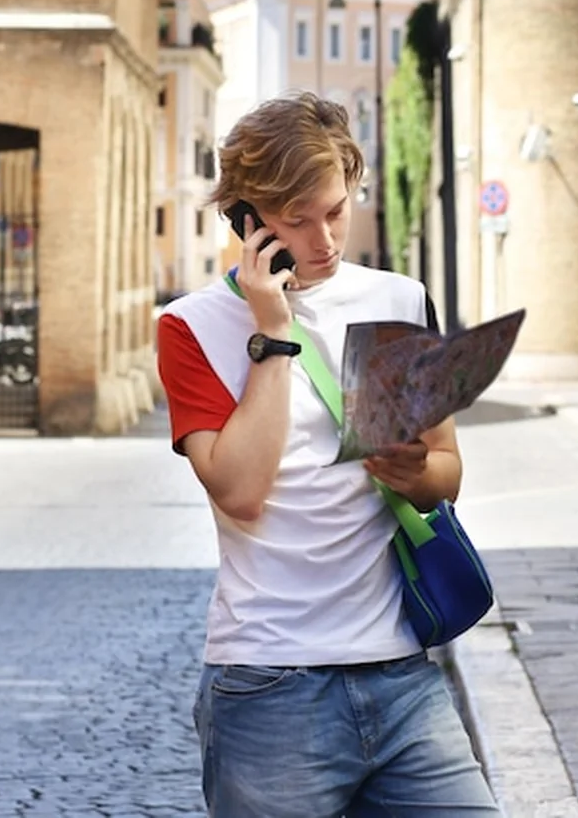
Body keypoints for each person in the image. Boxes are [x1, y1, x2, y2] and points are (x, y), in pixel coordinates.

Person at [156, 91, 502, 817]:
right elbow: (242, 490)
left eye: (336, 210)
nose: (324, 239)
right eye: (296, 220)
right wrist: (274, 334)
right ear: (246, 219)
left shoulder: (399, 301)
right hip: (269, 684)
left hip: (401, 674)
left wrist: (416, 473)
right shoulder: (189, 328)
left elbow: (448, 474)